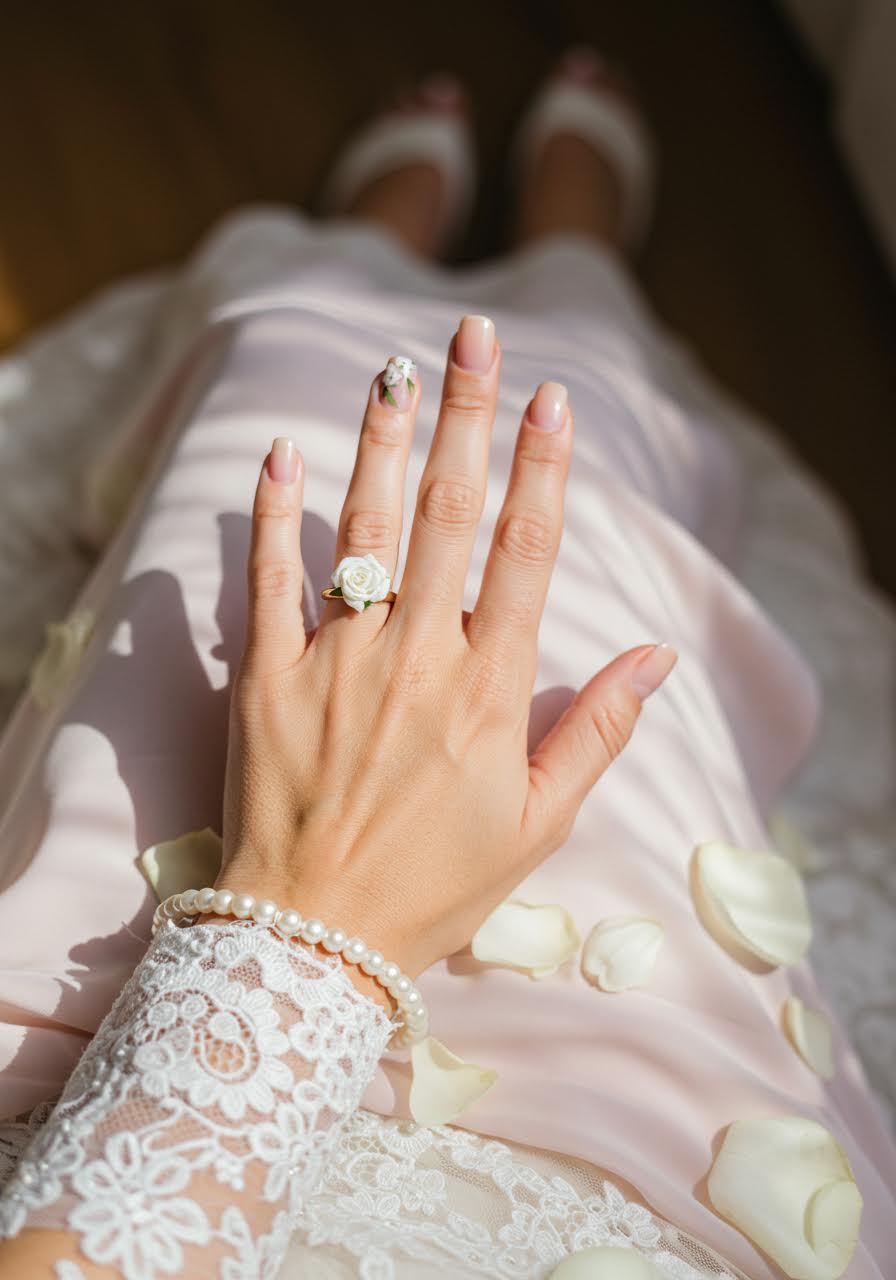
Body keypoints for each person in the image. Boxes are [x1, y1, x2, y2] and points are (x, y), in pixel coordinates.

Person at [0, 48, 892, 1279]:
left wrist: (294, 930)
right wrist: (313, 927)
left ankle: (336, 261)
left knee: (275, 443)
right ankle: (579, 283)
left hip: (75, 1101)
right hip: (602, 1184)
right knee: (565, 531)